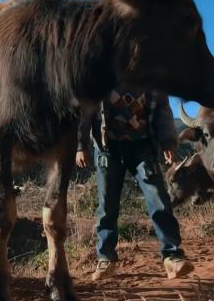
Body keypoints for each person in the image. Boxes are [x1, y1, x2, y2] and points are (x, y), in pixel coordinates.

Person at [76, 86, 193, 281]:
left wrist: (168, 142)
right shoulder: (100, 70)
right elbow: (85, 108)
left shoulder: (149, 72)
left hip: (142, 147)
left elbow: (163, 110)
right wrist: (80, 145)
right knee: (107, 206)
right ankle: (106, 258)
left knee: (159, 199)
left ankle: (173, 257)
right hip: (107, 149)